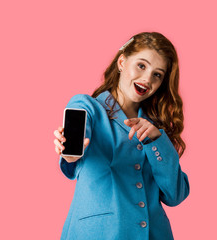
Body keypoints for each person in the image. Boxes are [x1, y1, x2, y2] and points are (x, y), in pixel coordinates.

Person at [53, 32, 190, 240]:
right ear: (122, 62)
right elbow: (77, 134)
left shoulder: (156, 129)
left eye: (157, 74)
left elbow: (175, 195)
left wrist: (156, 140)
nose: (147, 79)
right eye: (141, 66)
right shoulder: (88, 108)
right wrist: (70, 152)